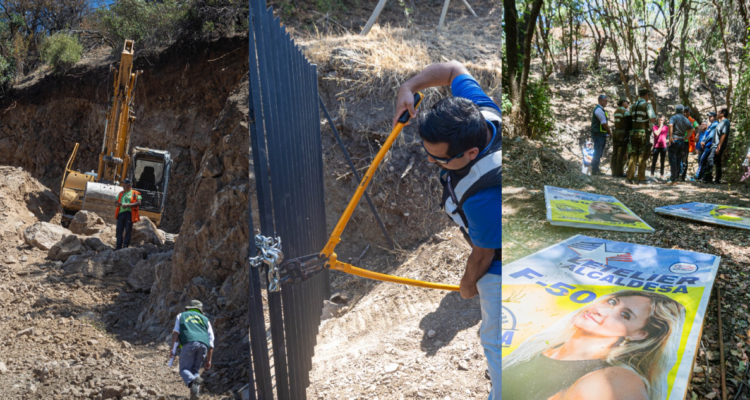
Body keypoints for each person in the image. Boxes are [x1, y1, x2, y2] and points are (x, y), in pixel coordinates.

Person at [393, 60, 501, 400]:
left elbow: (484, 254)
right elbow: (454, 69)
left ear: (470, 152)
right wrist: (408, 87)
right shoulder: (480, 112)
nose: (429, 161)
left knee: (496, 339)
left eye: (438, 158)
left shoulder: (485, 195)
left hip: (502, 260)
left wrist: (467, 286)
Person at [502, 290, 686, 400]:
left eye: (625, 315)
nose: (602, 310)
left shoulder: (616, 378)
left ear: (639, 334)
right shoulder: (542, 345)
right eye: (612, 302)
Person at [170, 300, 215, 400]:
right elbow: (211, 341)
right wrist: (209, 360)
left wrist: (173, 349)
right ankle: (195, 394)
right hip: (203, 345)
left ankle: (193, 381)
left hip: (189, 344)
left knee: (184, 369)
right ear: (200, 309)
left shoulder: (181, 316)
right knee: (195, 370)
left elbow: (176, 333)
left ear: (189, 307)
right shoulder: (205, 319)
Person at [627, 89, 656, 184]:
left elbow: (629, 117)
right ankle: (641, 178)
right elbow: (652, 119)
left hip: (633, 133)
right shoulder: (647, 105)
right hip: (643, 133)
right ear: (647, 95)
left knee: (633, 154)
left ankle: (630, 177)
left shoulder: (632, 105)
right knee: (642, 155)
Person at [667, 105, 695, 184]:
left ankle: (673, 178)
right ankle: (676, 177)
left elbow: (670, 125)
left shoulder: (673, 117)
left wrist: (670, 137)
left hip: (674, 140)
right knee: (678, 159)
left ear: (676, 110)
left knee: (673, 159)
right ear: (683, 111)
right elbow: (692, 129)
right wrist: (686, 138)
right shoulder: (685, 119)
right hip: (682, 141)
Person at [702, 108, 730, 184]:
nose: (717, 113)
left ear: (723, 113)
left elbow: (724, 134)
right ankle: (717, 179)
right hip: (715, 145)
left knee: (710, 160)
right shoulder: (720, 122)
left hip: (717, 145)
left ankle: (708, 178)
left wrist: (719, 146)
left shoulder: (726, 122)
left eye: (718, 112)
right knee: (717, 162)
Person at [114, 178, 142, 250]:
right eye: (123, 184)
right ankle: (118, 246)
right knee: (119, 230)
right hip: (121, 214)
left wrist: (128, 205)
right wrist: (119, 204)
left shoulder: (135, 193)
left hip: (129, 214)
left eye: (125, 184)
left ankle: (125, 246)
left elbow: (139, 203)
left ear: (129, 185)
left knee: (128, 230)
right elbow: (115, 203)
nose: (123, 185)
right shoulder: (121, 193)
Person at [590, 95, 612, 175]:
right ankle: (594, 169)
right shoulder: (599, 110)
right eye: (605, 101)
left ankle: (596, 168)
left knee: (599, 151)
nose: (606, 103)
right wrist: (609, 131)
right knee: (598, 151)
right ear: (601, 101)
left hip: (600, 134)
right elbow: (604, 123)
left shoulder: (601, 110)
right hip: (598, 134)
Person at [611, 98, 630, 177]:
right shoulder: (625, 112)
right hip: (622, 132)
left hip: (615, 132)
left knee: (614, 152)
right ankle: (619, 172)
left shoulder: (616, 112)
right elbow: (629, 123)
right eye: (627, 102)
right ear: (623, 102)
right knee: (622, 153)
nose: (628, 104)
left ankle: (613, 171)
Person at [696, 111, 718, 180]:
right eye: (709, 116)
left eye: (711, 116)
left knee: (704, 161)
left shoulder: (715, 125)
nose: (709, 118)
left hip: (710, 146)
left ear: (714, 117)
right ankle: (704, 177)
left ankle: (702, 176)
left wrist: (704, 142)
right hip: (706, 146)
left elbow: (711, 136)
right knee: (704, 161)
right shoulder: (711, 125)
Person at [682, 107, 699, 180]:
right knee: (677, 158)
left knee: (684, 159)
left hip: (687, 142)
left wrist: (697, 136)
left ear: (689, 113)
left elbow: (698, 127)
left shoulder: (692, 121)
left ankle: (683, 176)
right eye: (684, 112)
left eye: (687, 112)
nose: (685, 113)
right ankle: (677, 174)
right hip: (679, 141)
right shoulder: (680, 119)